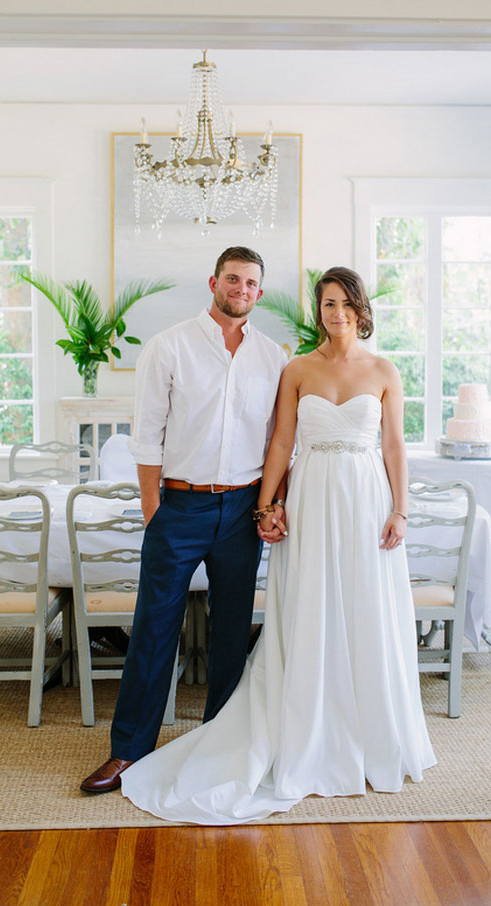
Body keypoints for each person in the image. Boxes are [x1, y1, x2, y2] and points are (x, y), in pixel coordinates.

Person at [121, 266, 436, 823]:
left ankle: (359, 732)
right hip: (300, 502)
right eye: (327, 303)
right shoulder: (292, 367)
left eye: (345, 303)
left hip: (363, 502)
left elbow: (395, 447)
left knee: (354, 611)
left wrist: (400, 509)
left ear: (361, 310)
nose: (335, 312)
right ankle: (133, 747)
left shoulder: (381, 370)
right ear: (215, 283)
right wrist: (270, 506)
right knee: (297, 610)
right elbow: (281, 442)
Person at [80, 246, 287, 793]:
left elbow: (276, 445)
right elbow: (146, 438)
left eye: (250, 284)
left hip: (243, 509)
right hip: (179, 505)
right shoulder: (168, 347)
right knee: (153, 628)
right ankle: (128, 751)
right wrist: (155, 515)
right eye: (233, 279)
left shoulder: (273, 357)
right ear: (213, 281)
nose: (241, 290)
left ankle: (219, 745)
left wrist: (268, 505)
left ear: (259, 294)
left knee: (230, 632)